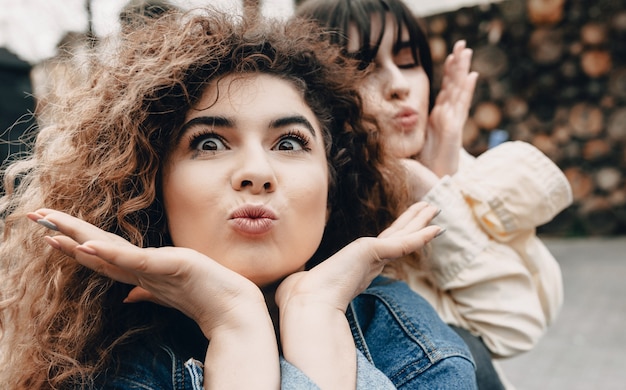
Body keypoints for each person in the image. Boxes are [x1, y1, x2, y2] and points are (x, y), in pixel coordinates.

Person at [0, 8, 478, 389]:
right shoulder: (103, 363)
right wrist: (236, 326)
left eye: (289, 142)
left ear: (332, 190)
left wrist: (315, 315)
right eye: (209, 142)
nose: (256, 173)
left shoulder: (410, 343)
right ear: (149, 188)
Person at [296, 0, 573, 388]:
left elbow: (516, 325)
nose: (398, 86)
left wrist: (435, 185)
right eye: (364, 67)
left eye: (408, 61)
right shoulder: (310, 211)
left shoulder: (451, 171)